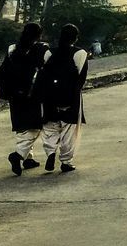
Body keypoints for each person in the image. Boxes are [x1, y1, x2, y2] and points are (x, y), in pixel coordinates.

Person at [0, 22, 49, 175]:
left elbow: (2, 70)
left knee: (22, 126)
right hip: (31, 93)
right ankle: (18, 155)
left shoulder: (12, 49)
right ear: (39, 35)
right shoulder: (41, 49)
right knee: (35, 127)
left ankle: (28, 158)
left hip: (14, 94)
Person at [37, 23, 89, 174]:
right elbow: (81, 77)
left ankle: (50, 153)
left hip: (49, 97)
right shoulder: (80, 53)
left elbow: (43, 74)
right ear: (76, 37)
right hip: (70, 96)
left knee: (50, 127)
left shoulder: (49, 53)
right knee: (69, 129)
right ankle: (66, 161)